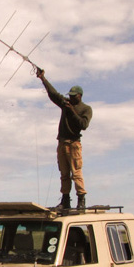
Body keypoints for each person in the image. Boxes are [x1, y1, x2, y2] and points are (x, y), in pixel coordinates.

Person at [36, 68, 92, 209]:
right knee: (64, 174)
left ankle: (81, 200)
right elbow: (54, 94)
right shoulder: (65, 104)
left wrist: (71, 110)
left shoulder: (86, 109)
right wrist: (43, 78)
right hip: (62, 143)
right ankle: (65, 200)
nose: (71, 98)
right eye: (70, 96)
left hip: (74, 144)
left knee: (76, 173)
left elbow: (83, 125)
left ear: (79, 96)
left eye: (74, 96)